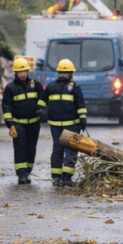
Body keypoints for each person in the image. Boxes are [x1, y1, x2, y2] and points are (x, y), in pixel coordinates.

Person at [1, 56, 46, 185]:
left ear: (27, 71)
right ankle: (21, 175)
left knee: (31, 149)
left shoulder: (36, 85)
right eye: (19, 72)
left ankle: (27, 172)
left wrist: (42, 111)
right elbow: (7, 107)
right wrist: (10, 124)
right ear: (15, 72)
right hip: (18, 124)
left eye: (24, 71)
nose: (22, 74)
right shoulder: (10, 88)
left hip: (34, 124)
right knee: (20, 148)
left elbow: (43, 100)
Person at [44, 58, 88, 187]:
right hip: (71, 125)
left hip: (57, 126)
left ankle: (57, 178)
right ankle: (67, 179)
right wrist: (83, 119)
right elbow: (81, 105)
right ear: (71, 73)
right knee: (71, 150)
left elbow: (42, 101)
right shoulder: (75, 88)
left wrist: (42, 112)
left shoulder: (51, 86)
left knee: (57, 150)